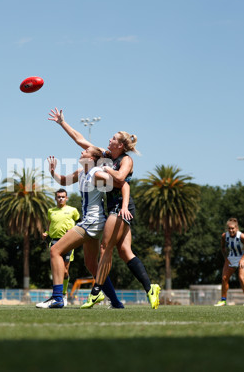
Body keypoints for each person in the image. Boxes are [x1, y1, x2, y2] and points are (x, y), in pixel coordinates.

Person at [48, 108, 160, 309]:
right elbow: (80, 139)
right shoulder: (106, 156)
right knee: (124, 252)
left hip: (121, 206)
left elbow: (122, 181)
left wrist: (107, 171)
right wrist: (62, 122)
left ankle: (95, 293)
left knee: (104, 248)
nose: (109, 139)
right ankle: (148, 289)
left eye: (113, 138)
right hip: (110, 209)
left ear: (121, 144)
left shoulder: (125, 160)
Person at [36, 148, 123, 309]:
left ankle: (57, 297)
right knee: (91, 263)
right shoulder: (82, 172)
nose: (82, 152)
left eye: (86, 151)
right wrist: (53, 172)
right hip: (94, 223)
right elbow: (63, 181)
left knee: (55, 250)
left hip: (92, 222)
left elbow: (118, 181)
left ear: (92, 159)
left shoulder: (96, 173)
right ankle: (116, 302)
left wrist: (111, 171)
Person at [41, 188, 80, 306]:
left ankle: (63, 294)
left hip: (68, 241)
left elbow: (80, 223)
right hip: (54, 241)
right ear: (55, 198)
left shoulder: (73, 210)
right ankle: (58, 296)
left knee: (65, 271)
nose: (61, 199)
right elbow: (49, 224)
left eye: (63, 197)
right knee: (57, 270)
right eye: (59, 197)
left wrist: (74, 230)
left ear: (66, 198)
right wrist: (46, 233)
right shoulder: (50, 211)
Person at [214, 218, 244, 306]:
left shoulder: (242, 236)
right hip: (231, 257)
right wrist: (226, 259)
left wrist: (242, 259)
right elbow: (223, 248)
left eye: (233, 228)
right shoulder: (224, 236)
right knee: (224, 278)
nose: (231, 230)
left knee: (241, 278)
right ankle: (223, 301)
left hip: (243, 257)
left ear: (236, 228)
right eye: (229, 228)